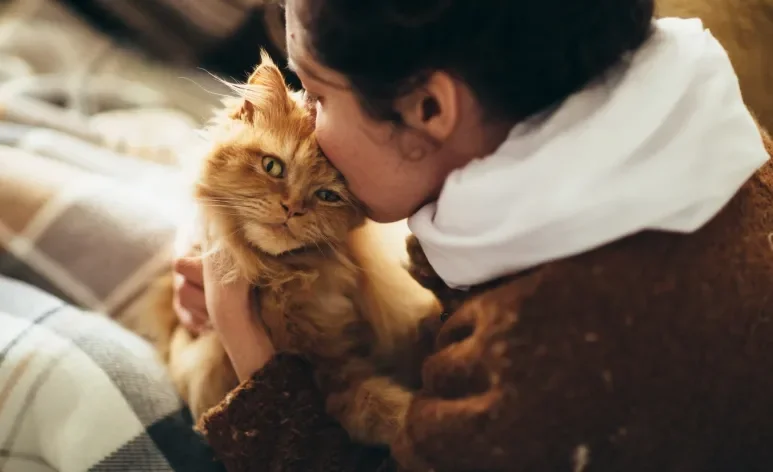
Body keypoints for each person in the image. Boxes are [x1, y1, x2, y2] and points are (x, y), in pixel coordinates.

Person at [174, 0, 773, 470]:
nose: (304, 118)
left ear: (430, 108)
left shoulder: (529, 363)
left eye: (320, 96)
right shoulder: (706, 129)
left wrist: (243, 333)